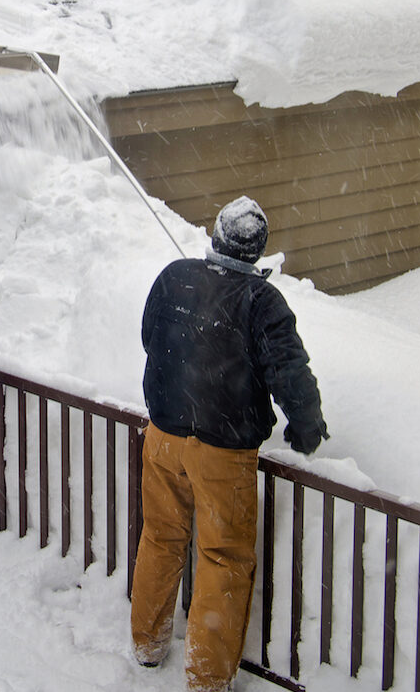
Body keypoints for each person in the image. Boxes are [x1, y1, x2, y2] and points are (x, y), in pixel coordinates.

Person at [130, 196, 328, 692]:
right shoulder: (263, 302)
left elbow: (150, 337)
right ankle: (207, 679)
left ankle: (147, 643)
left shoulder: (174, 276)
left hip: (163, 438)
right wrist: (306, 428)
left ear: (216, 237)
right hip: (222, 453)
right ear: (257, 251)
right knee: (222, 558)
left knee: (160, 537)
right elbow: (290, 373)